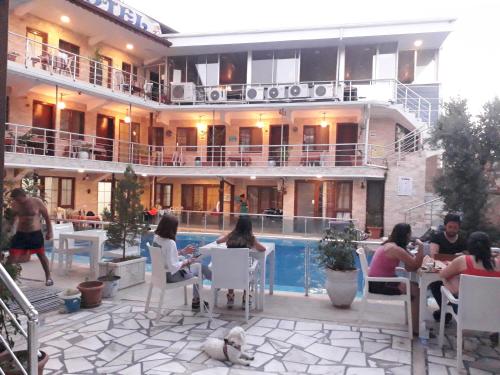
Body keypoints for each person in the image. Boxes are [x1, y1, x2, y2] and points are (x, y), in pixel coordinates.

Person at [368, 223, 424, 335]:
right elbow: (415, 264)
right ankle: (415, 329)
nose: (410, 237)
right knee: (416, 290)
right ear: (406, 235)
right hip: (379, 284)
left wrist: (413, 256)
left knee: (414, 287)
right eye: (409, 235)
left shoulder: (392, 245)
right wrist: (421, 247)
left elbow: (409, 267)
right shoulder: (395, 249)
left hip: (379, 281)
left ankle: (413, 324)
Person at [154, 214, 212, 311]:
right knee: (200, 269)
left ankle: (197, 300)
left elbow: (166, 256)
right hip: (171, 277)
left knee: (199, 268)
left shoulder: (156, 239)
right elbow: (174, 267)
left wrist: (183, 252)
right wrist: (188, 261)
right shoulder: (170, 243)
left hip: (160, 275)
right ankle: (200, 297)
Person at [216, 215, 265, 308]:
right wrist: (253, 244)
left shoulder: (231, 236)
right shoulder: (250, 239)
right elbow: (263, 249)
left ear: (237, 225)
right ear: (249, 226)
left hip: (229, 272)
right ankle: (245, 297)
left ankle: (230, 296)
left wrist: (224, 237)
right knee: (248, 269)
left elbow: (218, 241)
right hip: (243, 273)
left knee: (231, 269)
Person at [7, 188, 53, 286]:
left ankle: (48, 277)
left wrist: (49, 232)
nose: (17, 201)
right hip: (20, 234)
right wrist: (10, 232)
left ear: (23, 195)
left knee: (41, 256)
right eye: (15, 199)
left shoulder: (37, 202)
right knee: (12, 257)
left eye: (18, 199)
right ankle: (8, 281)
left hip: (34, 234)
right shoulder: (15, 204)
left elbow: (47, 217)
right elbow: (12, 220)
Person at [429, 213, 467, 323]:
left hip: (456, 272)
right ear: (445, 226)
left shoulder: (462, 240)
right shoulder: (437, 237)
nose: (452, 230)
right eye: (450, 227)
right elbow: (434, 255)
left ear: (459, 227)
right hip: (440, 268)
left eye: (455, 228)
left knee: (460, 285)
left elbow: (468, 256)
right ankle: (443, 309)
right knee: (434, 283)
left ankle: (446, 310)